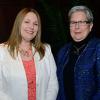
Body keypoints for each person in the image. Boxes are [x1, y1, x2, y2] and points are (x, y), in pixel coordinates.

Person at [0, 8, 58, 100]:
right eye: (27, 22)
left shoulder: (46, 50)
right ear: (18, 24)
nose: (31, 27)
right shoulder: (2, 51)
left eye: (35, 24)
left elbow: (53, 85)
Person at [56, 5, 100, 100]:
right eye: (73, 22)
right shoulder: (63, 51)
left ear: (90, 26)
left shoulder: (97, 48)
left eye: (81, 22)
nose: (77, 27)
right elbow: (58, 87)